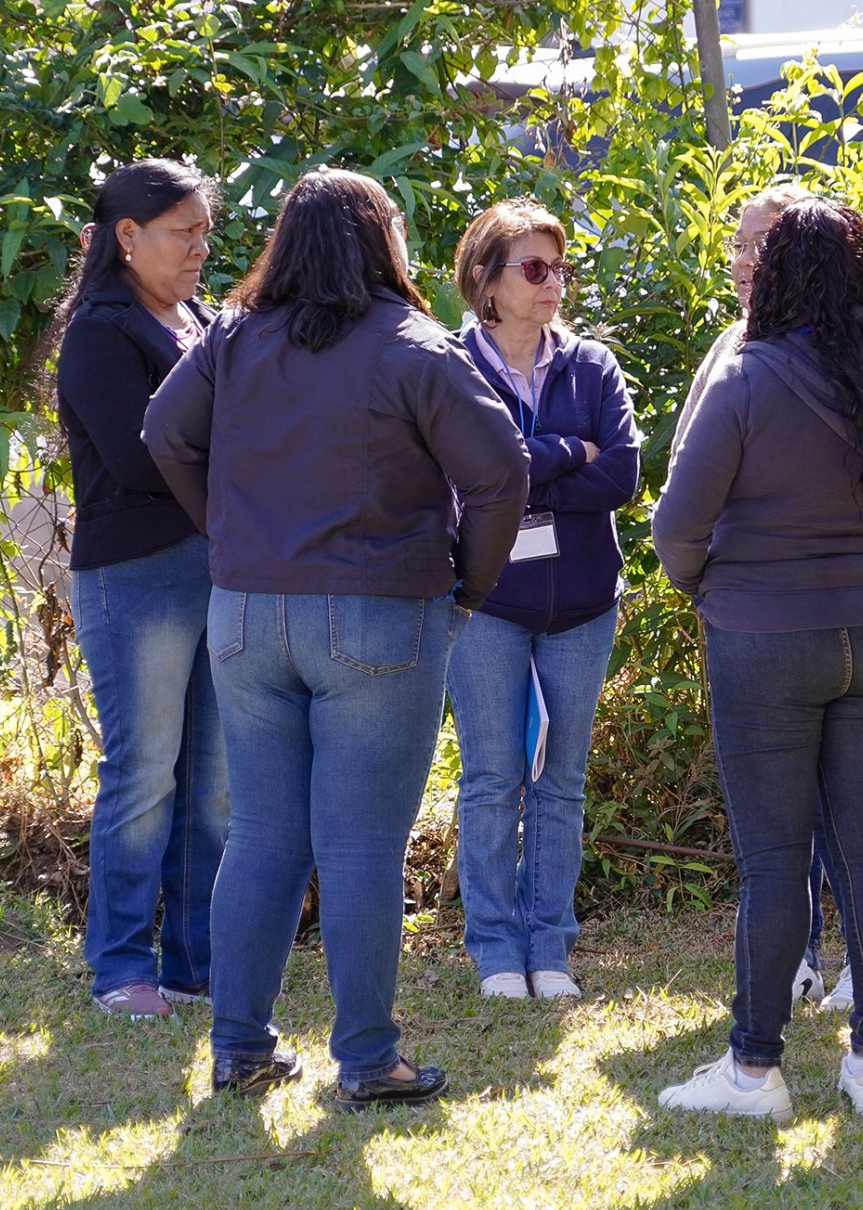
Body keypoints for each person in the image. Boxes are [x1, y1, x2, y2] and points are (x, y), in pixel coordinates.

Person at [144, 169, 529, 1109]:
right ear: (381, 241)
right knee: (360, 845)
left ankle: (239, 1047)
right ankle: (367, 1058)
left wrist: (229, 537)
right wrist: (467, 586)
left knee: (262, 834)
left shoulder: (233, 335)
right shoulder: (412, 344)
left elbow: (164, 433)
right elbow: (501, 472)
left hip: (247, 612)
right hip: (378, 611)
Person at [651, 198, 863, 1120]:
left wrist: (717, 589)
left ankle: (755, 1070)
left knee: (772, 861)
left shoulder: (745, 378)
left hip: (765, 637)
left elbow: (676, 527)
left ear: (777, 279)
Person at [445, 199, 641, 1001]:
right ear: (486, 280)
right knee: (493, 778)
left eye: (559, 268)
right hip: (486, 602)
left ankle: (549, 946)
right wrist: (564, 451)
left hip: (583, 604)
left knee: (561, 779)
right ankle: (496, 950)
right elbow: (459, 476)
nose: (553, 282)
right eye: (534, 268)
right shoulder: (451, 365)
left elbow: (622, 473)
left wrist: (520, 473)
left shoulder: (592, 365)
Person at [53, 158, 227, 1021]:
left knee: (214, 780)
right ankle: (121, 966)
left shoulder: (204, 320)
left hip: (219, 570)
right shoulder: (99, 331)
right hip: (137, 578)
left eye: (205, 232)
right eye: (183, 232)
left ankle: (196, 964)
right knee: (145, 775)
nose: (201, 248)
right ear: (127, 236)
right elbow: (135, 455)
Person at [683, 182, 846, 1012]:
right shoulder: (731, 345)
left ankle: (861, 976)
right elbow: (685, 470)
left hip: (829, 613)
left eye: (764, 246)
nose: (747, 263)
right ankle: (797, 961)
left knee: (846, 805)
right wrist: (706, 578)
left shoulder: (859, 349)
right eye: (739, 246)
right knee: (779, 812)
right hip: (749, 607)